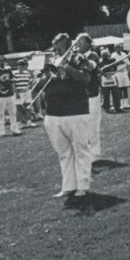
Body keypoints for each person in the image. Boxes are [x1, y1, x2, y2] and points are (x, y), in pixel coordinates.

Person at [43, 33, 92, 202]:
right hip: (53, 112)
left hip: (76, 110)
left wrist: (67, 67)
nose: (56, 50)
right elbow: (40, 86)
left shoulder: (79, 59)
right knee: (63, 152)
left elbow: (86, 78)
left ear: (68, 46)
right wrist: (43, 75)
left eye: (60, 47)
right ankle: (68, 186)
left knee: (81, 150)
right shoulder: (49, 61)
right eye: (55, 47)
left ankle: (83, 186)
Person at [74, 33, 103, 161]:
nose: (77, 44)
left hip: (92, 94)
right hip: (80, 96)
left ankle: (95, 153)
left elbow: (89, 66)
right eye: (77, 41)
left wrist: (78, 58)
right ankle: (85, 152)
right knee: (81, 126)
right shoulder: (75, 57)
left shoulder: (93, 55)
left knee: (93, 125)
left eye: (80, 41)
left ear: (88, 43)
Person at [0, 57, 21, 137]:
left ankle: (14, 129)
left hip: (10, 94)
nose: (2, 62)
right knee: (1, 114)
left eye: (3, 61)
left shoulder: (8, 70)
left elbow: (12, 81)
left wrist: (14, 90)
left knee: (13, 113)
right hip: (0, 95)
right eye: (0, 61)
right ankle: (1, 131)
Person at [13, 58, 36, 128]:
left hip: (27, 92)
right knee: (19, 108)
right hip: (19, 92)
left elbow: (30, 82)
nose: (21, 66)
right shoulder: (14, 73)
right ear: (18, 66)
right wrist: (16, 92)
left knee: (27, 107)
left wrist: (32, 83)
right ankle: (18, 123)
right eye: (20, 65)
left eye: (23, 65)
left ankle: (29, 122)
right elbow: (13, 84)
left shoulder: (27, 73)